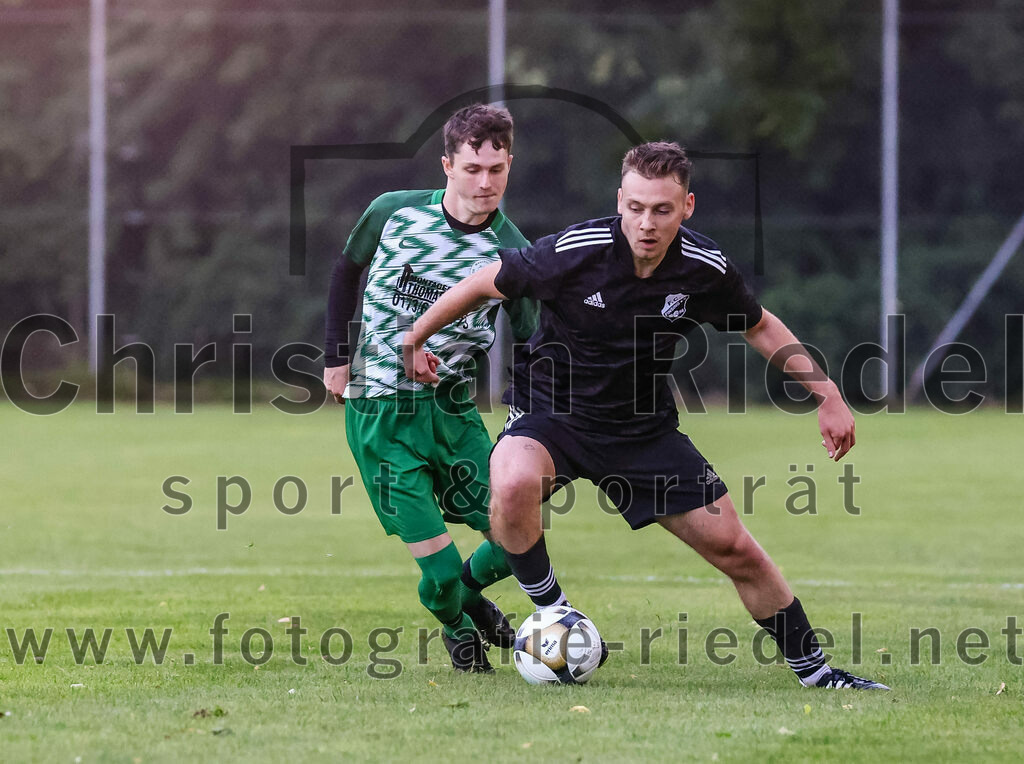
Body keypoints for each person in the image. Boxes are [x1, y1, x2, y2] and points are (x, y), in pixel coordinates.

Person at [403, 141, 889, 690]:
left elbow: (757, 323)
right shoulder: (574, 250)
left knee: (735, 548)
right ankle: (555, 614)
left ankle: (818, 674)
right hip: (552, 412)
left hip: (640, 430)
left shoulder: (704, 268)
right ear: (620, 202)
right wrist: (416, 337)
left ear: (687, 207)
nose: (646, 222)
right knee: (512, 481)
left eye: (662, 209)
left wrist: (826, 393)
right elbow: (484, 281)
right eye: (634, 207)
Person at [323, 104, 539, 673]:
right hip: (380, 413)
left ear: (509, 166)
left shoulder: (515, 254)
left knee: (518, 535)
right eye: (472, 168)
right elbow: (347, 272)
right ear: (447, 164)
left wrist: (536, 418)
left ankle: (468, 601)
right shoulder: (391, 212)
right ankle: (458, 625)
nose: (484, 182)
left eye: (496, 169)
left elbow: (536, 343)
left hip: (453, 414)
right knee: (438, 573)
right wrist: (334, 356)